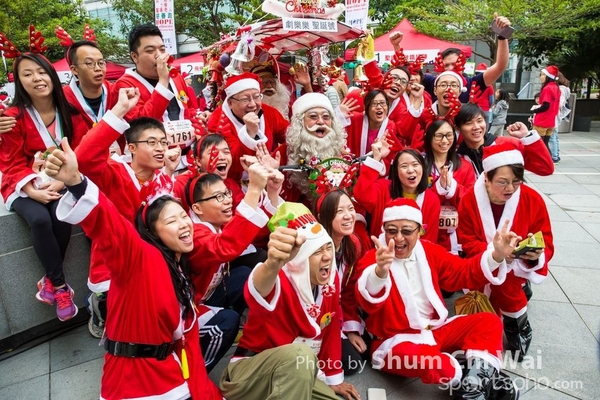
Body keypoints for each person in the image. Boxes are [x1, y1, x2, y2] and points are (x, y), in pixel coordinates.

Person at [44, 138, 222, 400]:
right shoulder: (141, 257)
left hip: (172, 375)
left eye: (184, 216)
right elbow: (110, 226)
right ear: (152, 233)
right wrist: (76, 183)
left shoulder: (179, 269)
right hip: (133, 385)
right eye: (171, 221)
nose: (184, 224)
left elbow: (188, 346)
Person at [354, 198, 519, 400]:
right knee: (431, 362)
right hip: (394, 343)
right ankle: (479, 381)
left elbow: (463, 271)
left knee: (489, 322)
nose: (398, 238)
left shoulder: (429, 251)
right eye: (391, 231)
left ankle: (473, 386)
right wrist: (380, 272)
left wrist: (496, 256)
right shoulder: (374, 258)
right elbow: (367, 301)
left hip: (434, 331)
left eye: (406, 231)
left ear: (419, 231)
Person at [220, 203, 360, 400]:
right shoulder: (279, 278)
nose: (328, 256)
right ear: (300, 258)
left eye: (328, 247)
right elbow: (257, 291)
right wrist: (272, 264)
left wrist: (333, 378)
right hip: (251, 372)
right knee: (300, 354)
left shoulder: (330, 279)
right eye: (317, 251)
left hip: (299, 369)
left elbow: (330, 329)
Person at [74, 89, 182, 337]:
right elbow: (84, 159)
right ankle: (100, 306)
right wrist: (120, 109)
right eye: (151, 142)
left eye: (163, 142)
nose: (160, 148)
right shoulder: (114, 172)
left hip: (150, 261)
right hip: (114, 264)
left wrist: (169, 172)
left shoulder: (161, 179)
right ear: (131, 147)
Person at [0, 52, 88, 321]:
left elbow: (82, 151)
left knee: (61, 217)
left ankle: (49, 282)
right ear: (19, 82)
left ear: (51, 75)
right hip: (22, 184)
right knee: (39, 219)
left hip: (61, 180)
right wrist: (32, 190)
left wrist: (61, 182)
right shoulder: (12, 117)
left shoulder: (71, 113)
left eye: (41, 72)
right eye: (27, 74)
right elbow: (11, 161)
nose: (36, 78)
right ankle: (60, 286)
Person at [457, 142, 553, 362]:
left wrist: (535, 256)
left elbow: (546, 238)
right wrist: (496, 254)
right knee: (484, 295)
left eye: (516, 182)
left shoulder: (532, 199)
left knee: (508, 285)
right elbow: (467, 240)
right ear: (486, 178)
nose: (510, 188)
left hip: (516, 266)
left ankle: (517, 324)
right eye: (502, 182)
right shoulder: (470, 200)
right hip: (483, 262)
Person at [186, 162, 284, 372]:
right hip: (190, 307)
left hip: (209, 294)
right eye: (218, 197)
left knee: (247, 276)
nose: (228, 200)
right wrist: (254, 189)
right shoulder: (194, 233)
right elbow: (224, 247)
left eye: (226, 193)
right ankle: (195, 373)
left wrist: (272, 191)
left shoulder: (216, 224)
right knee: (227, 321)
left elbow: (252, 229)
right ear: (197, 208)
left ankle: (254, 344)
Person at [316, 189, 368, 375]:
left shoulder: (353, 243)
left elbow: (347, 292)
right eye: (339, 211)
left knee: (366, 350)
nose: (348, 216)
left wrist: (350, 329)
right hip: (317, 315)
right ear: (324, 217)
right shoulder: (315, 249)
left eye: (351, 209)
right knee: (352, 363)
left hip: (337, 311)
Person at [206, 72, 289, 181]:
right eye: (245, 99)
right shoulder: (217, 121)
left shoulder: (269, 113)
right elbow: (228, 163)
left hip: (267, 177)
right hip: (233, 183)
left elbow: (290, 136)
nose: (253, 104)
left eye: (256, 97)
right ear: (230, 103)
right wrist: (250, 133)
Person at [354, 145, 441, 242]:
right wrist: (376, 159)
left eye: (415, 165)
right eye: (404, 166)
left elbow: (429, 240)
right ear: (396, 172)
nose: (410, 170)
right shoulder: (383, 188)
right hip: (382, 249)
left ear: (423, 168)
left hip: (415, 251)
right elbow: (361, 194)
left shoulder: (432, 200)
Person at [455, 103, 554, 177]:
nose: (476, 127)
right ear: (458, 128)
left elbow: (545, 169)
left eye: (480, 121)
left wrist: (527, 136)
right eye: (469, 123)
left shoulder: (507, 145)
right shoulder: (457, 158)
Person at [423, 119, 475, 253]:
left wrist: (453, 188)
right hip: (429, 228)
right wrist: (439, 188)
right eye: (439, 136)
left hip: (458, 231)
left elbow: (471, 200)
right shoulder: (420, 166)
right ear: (429, 137)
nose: (445, 140)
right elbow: (419, 199)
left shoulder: (465, 166)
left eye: (449, 135)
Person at [340, 89, 404, 171]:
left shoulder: (391, 126)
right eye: (374, 103)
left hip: (374, 172)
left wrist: (376, 153)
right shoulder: (354, 119)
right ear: (366, 107)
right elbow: (334, 132)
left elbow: (387, 159)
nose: (379, 107)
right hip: (349, 170)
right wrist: (339, 116)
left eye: (382, 103)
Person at [531, 65, 561, 149]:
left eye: (543, 75)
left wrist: (535, 110)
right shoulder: (556, 87)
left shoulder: (547, 88)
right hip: (551, 121)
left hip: (542, 120)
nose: (541, 77)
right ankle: (549, 157)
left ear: (548, 76)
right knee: (545, 145)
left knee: (538, 146)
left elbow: (546, 106)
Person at [550, 72, 571, 163]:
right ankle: (556, 155)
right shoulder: (565, 88)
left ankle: (554, 157)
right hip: (558, 114)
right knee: (554, 136)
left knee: (552, 136)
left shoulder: (561, 89)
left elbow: (560, 102)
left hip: (555, 114)